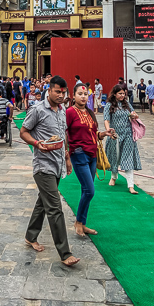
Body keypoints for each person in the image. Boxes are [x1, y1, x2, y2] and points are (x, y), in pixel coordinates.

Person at [20, 75, 79, 267]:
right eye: (57, 92)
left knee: (43, 203)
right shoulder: (38, 109)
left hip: (58, 164)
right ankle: (65, 252)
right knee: (55, 208)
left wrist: (67, 158)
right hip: (43, 166)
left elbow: (63, 135)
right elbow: (23, 131)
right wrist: (37, 143)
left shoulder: (62, 111)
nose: (61, 95)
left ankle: (30, 236)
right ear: (49, 90)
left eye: (64, 92)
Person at [66, 83, 114, 237]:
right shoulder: (69, 112)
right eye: (80, 94)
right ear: (73, 96)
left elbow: (93, 133)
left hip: (92, 154)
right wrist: (66, 155)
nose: (83, 97)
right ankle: (78, 221)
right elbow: (63, 133)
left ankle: (83, 223)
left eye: (85, 94)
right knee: (89, 190)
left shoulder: (89, 113)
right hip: (78, 153)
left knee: (86, 190)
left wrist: (104, 134)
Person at [104, 84, 142, 194]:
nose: (122, 95)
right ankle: (114, 176)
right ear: (114, 94)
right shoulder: (109, 105)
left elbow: (133, 114)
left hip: (128, 134)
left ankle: (131, 185)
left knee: (128, 158)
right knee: (115, 157)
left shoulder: (127, 104)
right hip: (115, 135)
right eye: (120, 93)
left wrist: (134, 116)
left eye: (124, 93)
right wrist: (109, 131)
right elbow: (106, 120)